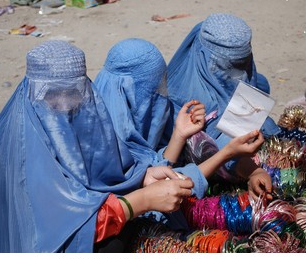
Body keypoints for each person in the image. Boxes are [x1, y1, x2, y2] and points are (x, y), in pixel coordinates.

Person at [0, 40, 196, 253]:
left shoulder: (83, 119)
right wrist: (142, 200)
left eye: (73, 93)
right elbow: (60, 228)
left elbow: (100, 172)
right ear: (34, 90)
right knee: (116, 242)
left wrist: (141, 177)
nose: (65, 104)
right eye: (53, 95)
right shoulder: (21, 143)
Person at [93, 38, 271, 210]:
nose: (162, 95)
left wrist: (178, 135)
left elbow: (159, 168)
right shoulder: (101, 147)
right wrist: (226, 154)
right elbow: (162, 190)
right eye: (156, 90)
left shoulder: (163, 111)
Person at [165, 13, 281, 199]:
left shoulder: (238, 77)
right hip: (202, 161)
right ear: (204, 56)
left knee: (261, 84)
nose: (238, 73)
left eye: (243, 64)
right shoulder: (184, 102)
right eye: (228, 65)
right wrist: (252, 171)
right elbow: (215, 146)